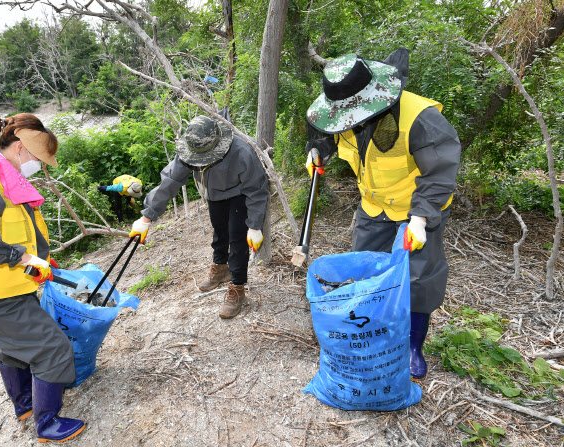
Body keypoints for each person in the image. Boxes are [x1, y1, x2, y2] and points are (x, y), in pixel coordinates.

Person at [304, 48, 461, 381]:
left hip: (418, 211)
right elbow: (327, 133)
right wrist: (317, 149)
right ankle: (375, 334)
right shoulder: (344, 109)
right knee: (367, 270)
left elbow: (440, 172)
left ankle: (411, 346)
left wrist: (419, 220)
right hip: (374, 206)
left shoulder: (420, 117)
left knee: (418, 278)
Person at [0, 113, 85, 443]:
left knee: (14, 346)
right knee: (52, 348)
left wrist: (40, 257)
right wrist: (19, 257)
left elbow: (15, 228)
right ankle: (47, 424)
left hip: (6, 283)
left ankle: (25, 404)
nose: (38, 164)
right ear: (21, 147)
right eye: (37, 158)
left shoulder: (3, 174)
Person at [130, 114, 269, 319]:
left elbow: (257, 190)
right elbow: (170, 180)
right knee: (219, 229)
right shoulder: (191, 147)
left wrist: (255, 225)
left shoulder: (241, 151)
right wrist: (146, 218)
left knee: (237, 237)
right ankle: (220, 268)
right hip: (213, 192)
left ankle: (238, 286)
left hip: (240, 193)